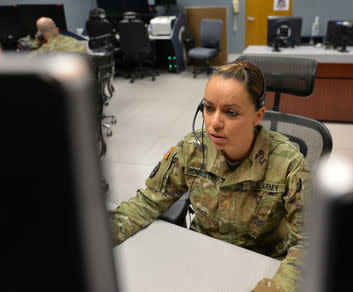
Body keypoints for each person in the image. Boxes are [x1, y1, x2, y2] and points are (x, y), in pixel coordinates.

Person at [109, 60, 311, 292]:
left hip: (260, 263)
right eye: (208, 108)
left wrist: (277, 287)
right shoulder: (192, 149)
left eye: (231, 112)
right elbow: (148, 201)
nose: (214, 123)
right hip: (200, 256)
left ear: (258, 116)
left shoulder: (290, 165)